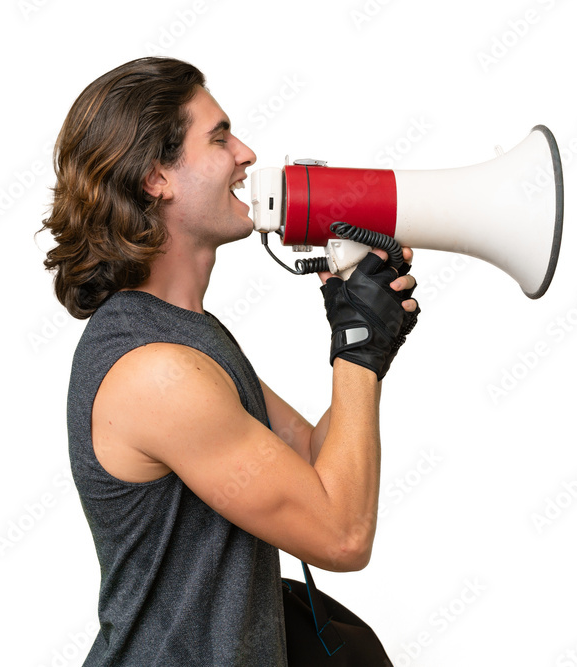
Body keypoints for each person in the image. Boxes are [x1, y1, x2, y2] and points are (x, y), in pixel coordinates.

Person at [40, 56, 419, 666]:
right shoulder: (156, 371)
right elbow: (342, 535)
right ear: (155, 178)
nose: (246, 153)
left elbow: (315, 464)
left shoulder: (191, 337)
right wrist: (357, 352)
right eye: (218, 138)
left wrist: (373, 338)